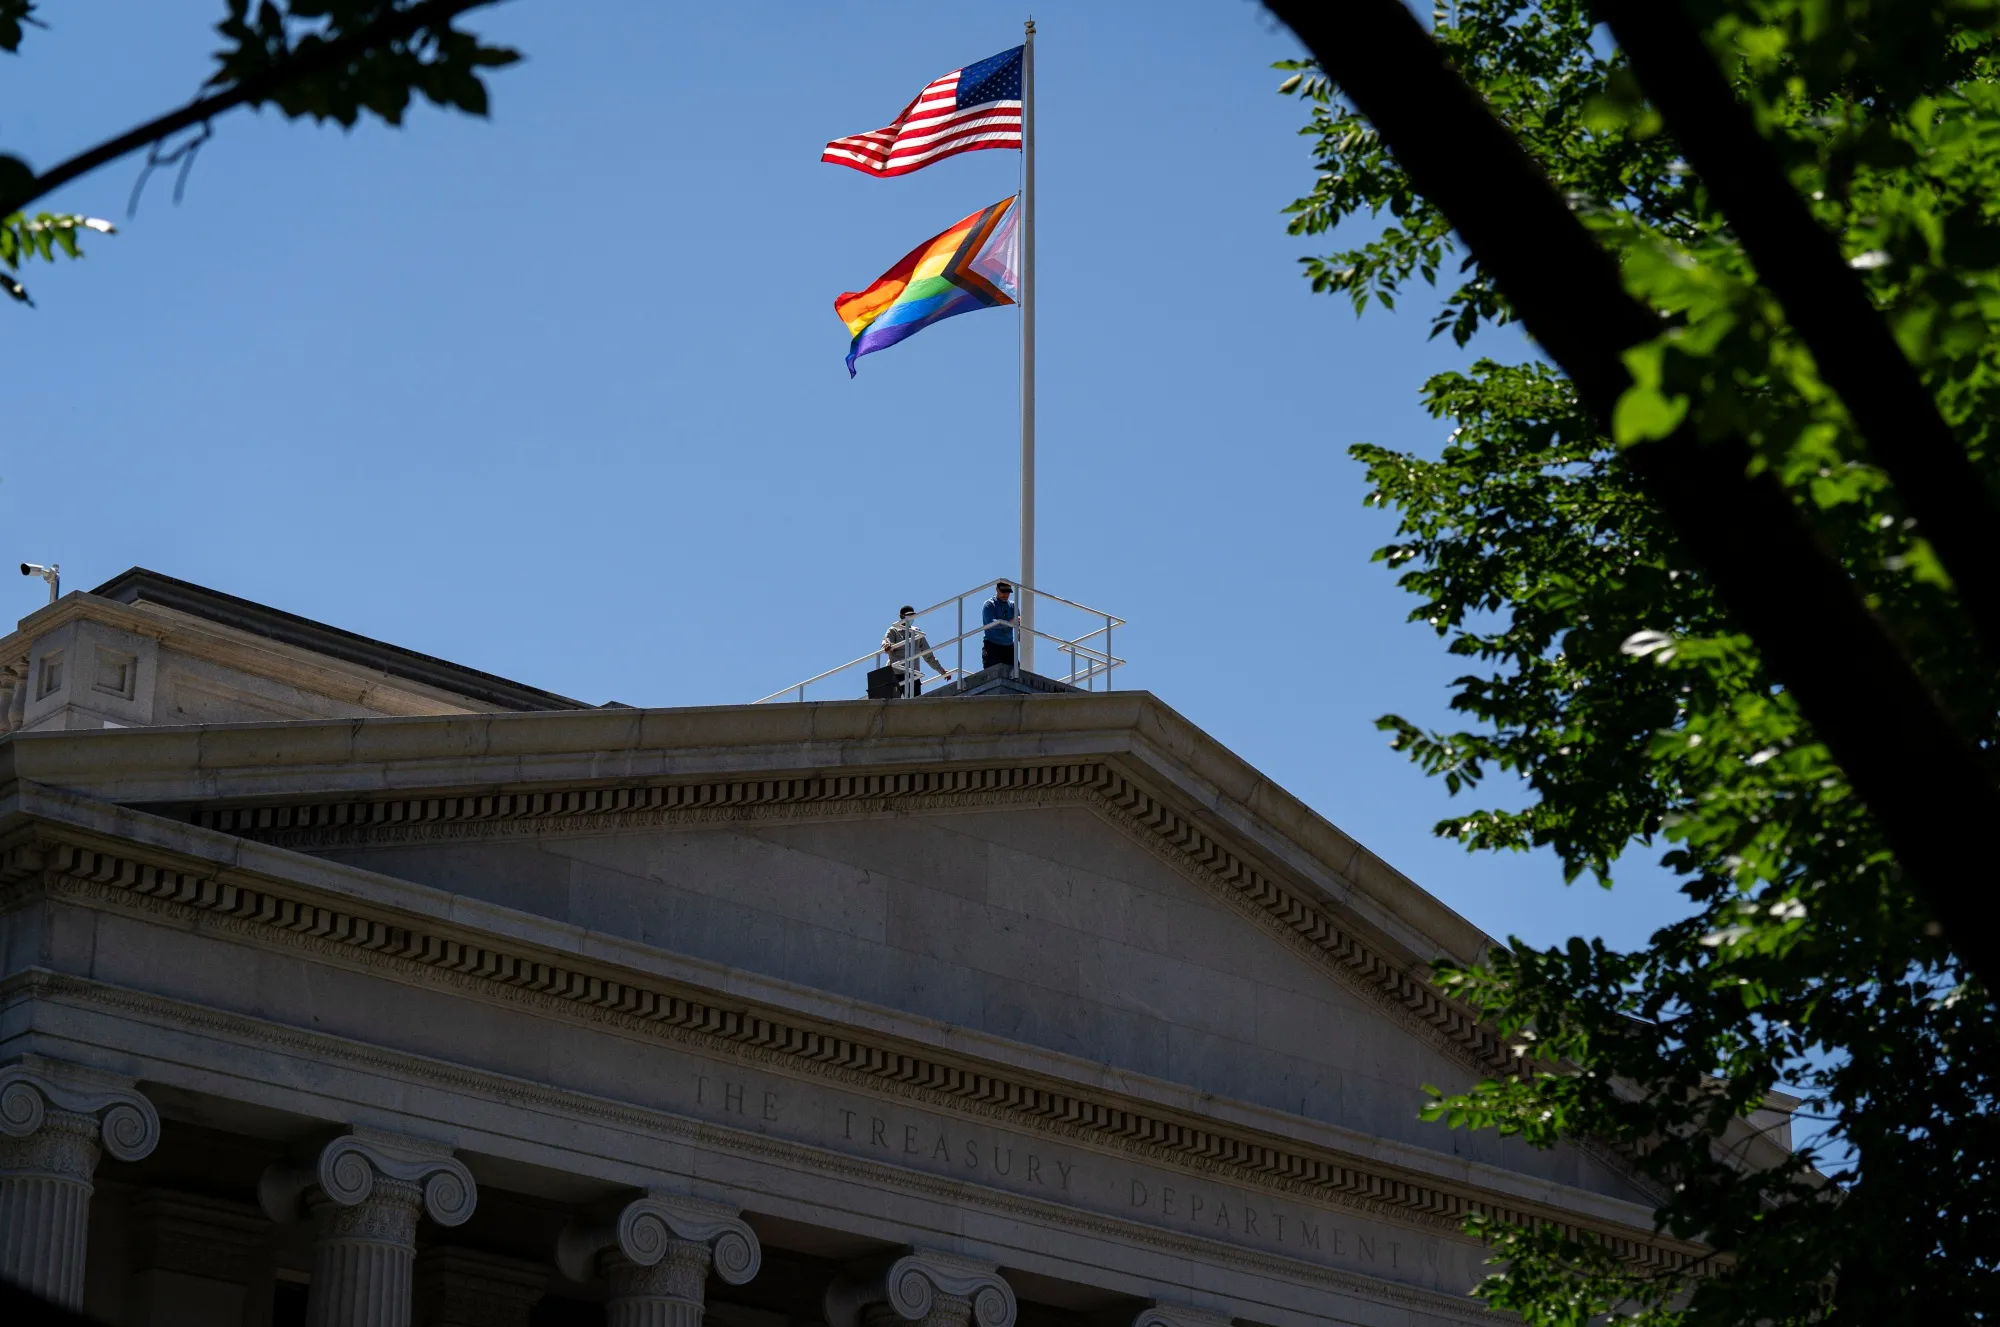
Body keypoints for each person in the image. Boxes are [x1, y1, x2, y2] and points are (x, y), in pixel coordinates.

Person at [881, 605, 950, 696]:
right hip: (896, 673)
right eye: (909, 615)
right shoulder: (893, 630)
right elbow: (886, 643)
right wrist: (887, 646)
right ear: (902, 616)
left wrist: (942, 671)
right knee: (892, 705)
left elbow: (928, 655)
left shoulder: (916, 632)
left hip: (912, 673)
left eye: (913, 615)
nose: (912, 617)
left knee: (914, 703)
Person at [981, 580, 1019, 670]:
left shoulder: (1013, 606)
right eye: (1003, 591)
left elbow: (1019, 626)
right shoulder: (989, 605)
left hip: (1009, 646)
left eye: (1008, 592)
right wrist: (1010, 623)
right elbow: (991, 623)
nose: (1005, 594)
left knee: (1015, 676)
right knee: (992, 675)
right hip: (992, 645)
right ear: (997, 589)